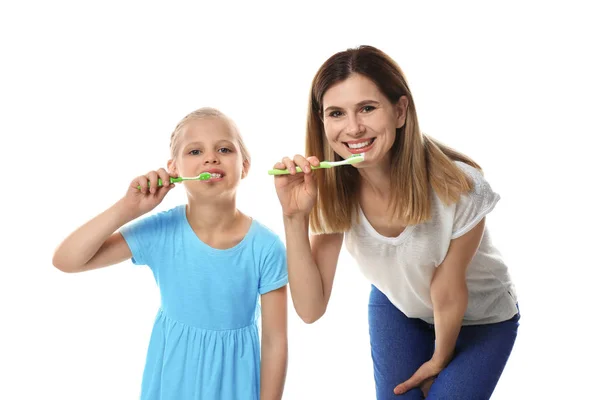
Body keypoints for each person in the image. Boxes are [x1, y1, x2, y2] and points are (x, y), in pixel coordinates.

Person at [272, 45, 519, 399]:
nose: (353, 128)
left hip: (480, 319)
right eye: (336, 113)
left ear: (400, 111)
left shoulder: (459, 188)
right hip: (399, 305)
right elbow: (310, 309)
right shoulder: (329, 189)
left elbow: (447, 292)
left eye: (368, 109)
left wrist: (439, 362)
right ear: (323, 121)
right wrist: (294, 217)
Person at [53, 107, 288, 400]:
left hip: (235, 383)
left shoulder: (266, 247)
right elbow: (66, 260)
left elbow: (275, 341)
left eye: (224, 149)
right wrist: (127, 209)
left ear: (245, 166)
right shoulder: (162, 230)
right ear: (174, 169)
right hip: (172, 379)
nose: (210, 157)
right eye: (194, 151)